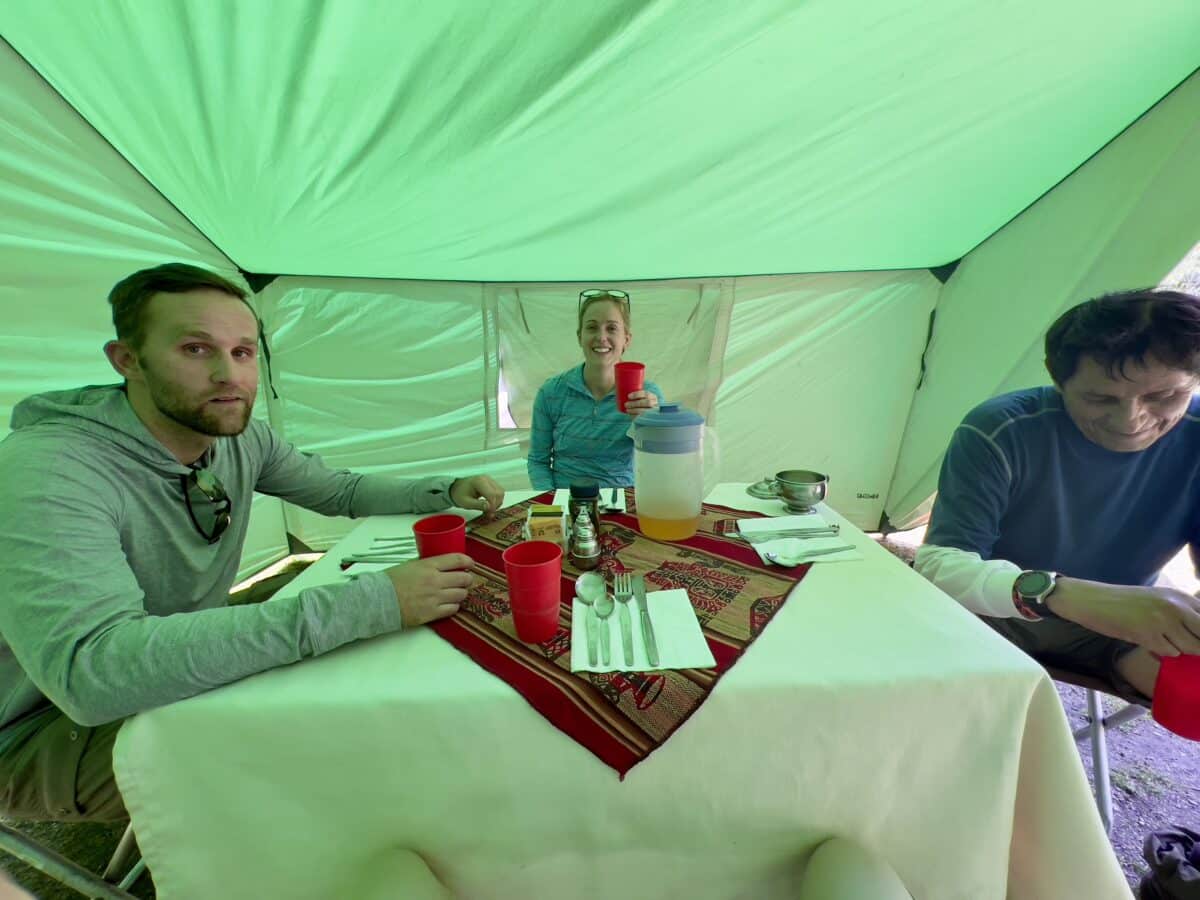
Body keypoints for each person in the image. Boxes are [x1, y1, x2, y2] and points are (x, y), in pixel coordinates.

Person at [0, 263, 505, 822]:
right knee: (342, 752)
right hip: (38, 725)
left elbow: (337, 490)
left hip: (165, 658)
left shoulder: (237, 437)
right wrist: (373, 601)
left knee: (357, 687)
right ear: (127, 360)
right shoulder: (50, 470)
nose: (228, 374)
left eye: (243, 352)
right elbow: (93, 673)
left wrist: (443, 489)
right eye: (196, 349)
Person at [915, 287, 1200, 705]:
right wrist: (1062, 594)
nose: (1131, 420)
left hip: (1123, 634)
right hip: (988, 617)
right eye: (1100, 398)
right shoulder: (1003, 429)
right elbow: (940, 567)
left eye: (1163, 396)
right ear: (1056, 377)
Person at [527, 288, 664, 489]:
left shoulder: (648, 397)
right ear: (579, 336)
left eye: (612, 328)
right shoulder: (550, 393)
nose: (601, 337)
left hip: (623, 501)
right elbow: (538, 461)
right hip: (567, 501)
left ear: (626, 339)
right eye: (592, 327)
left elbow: (660, 464)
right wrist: (553, 504)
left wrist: (650, 427)